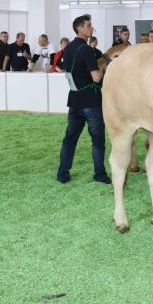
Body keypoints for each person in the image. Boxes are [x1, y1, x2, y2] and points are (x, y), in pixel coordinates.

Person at [56, 14, 111, 185]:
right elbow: (95, 78)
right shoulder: (86, 50)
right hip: (90, 101)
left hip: (74, 99)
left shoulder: (68, 48)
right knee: (97, 139)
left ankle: (63, 172)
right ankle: (99, 173)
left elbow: (68, 72)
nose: (91, 28)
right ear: (79, 28)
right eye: (88, 25)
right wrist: (103, 67)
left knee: (70, 138)